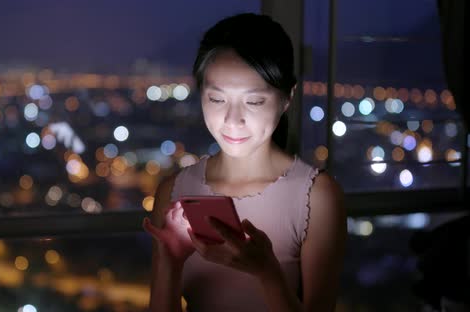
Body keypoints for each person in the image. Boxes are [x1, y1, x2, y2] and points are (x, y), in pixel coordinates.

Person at [142, 13, 346, 312]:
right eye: (217, 99)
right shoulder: (175, 191)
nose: (232, 119)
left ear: (287, 98)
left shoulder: (316, 196)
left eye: (253, 101)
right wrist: (170, 263)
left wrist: (267, 273)